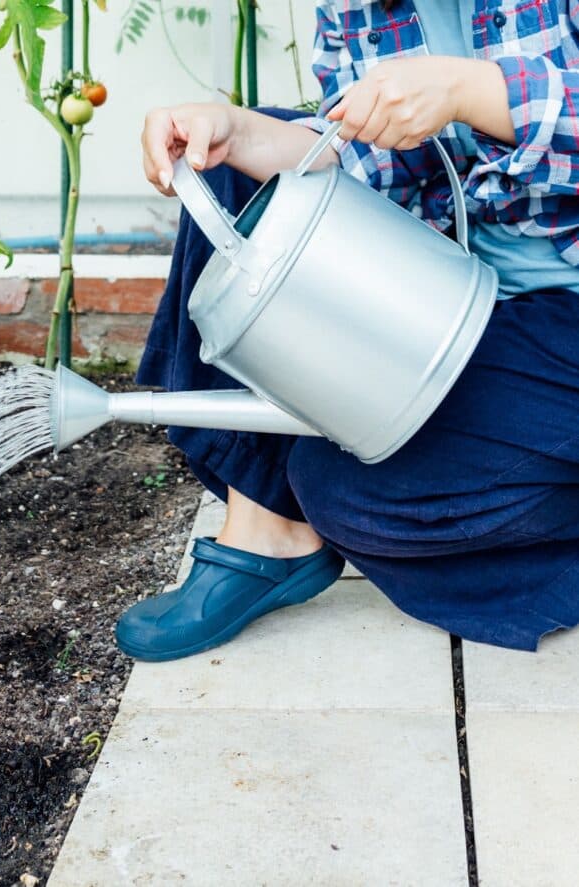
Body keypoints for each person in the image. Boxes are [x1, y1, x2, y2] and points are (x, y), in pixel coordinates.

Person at [118, 0, 579, 661]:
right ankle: (266, 527)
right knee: (231, 172)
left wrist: (467, 90)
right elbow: (382, 167)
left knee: (356, 493)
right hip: (469, 299)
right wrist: (237, 134)